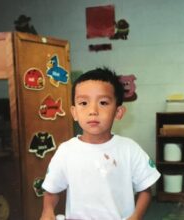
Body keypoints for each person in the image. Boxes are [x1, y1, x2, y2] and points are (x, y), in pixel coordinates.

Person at [40, 67, 160, 220]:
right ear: (74, 112)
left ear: (118, 112)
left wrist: (135, 216)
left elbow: (145, 190)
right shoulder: (66, 151)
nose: (93, 110)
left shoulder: (129, 149)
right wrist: (47, 211)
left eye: (103, 102)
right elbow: (52, 190)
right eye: (83, 103)